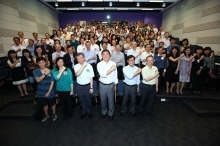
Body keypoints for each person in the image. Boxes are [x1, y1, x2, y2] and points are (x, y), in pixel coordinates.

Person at [33, 57, 57, 122]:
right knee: (44, 105)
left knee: (52, 103)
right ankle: (46, 115)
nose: (41, 64)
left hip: (49, 91)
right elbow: (37, 80)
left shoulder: (51, 71)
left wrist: (49, 92)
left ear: (45, 62)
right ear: (37, 64)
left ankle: (54, 114)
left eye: (43, 62)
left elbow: (52, 82)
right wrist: (45, 74)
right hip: (40, 92)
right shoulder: (35, 71)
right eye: (39, 63)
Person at [97, 50, 118, 121]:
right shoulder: (99, 64)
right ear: (102, 56)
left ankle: (111, 113)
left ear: (109, 55)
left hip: (111, 85)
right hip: (102, 85)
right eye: (103, 54)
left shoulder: (113, 63)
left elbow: (115, 75)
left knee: (111, 100)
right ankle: (104, 112)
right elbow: (103, 74)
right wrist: (111, 69)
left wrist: (115, 84)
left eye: (107, 54)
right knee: (103, 100)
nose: (105, 55)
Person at [74, 53, 94, 119]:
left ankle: (89, 112)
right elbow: (77, 74)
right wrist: (83, 66)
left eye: (80, 58)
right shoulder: (76, 66)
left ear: (84, 58)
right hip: (79, 86)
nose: (79, 60)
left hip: (87, 86)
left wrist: (91, 87)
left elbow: (91, 77)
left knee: (88, 100)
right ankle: (83, 112)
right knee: (81, 101)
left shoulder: (89, 66)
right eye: (77, 59)